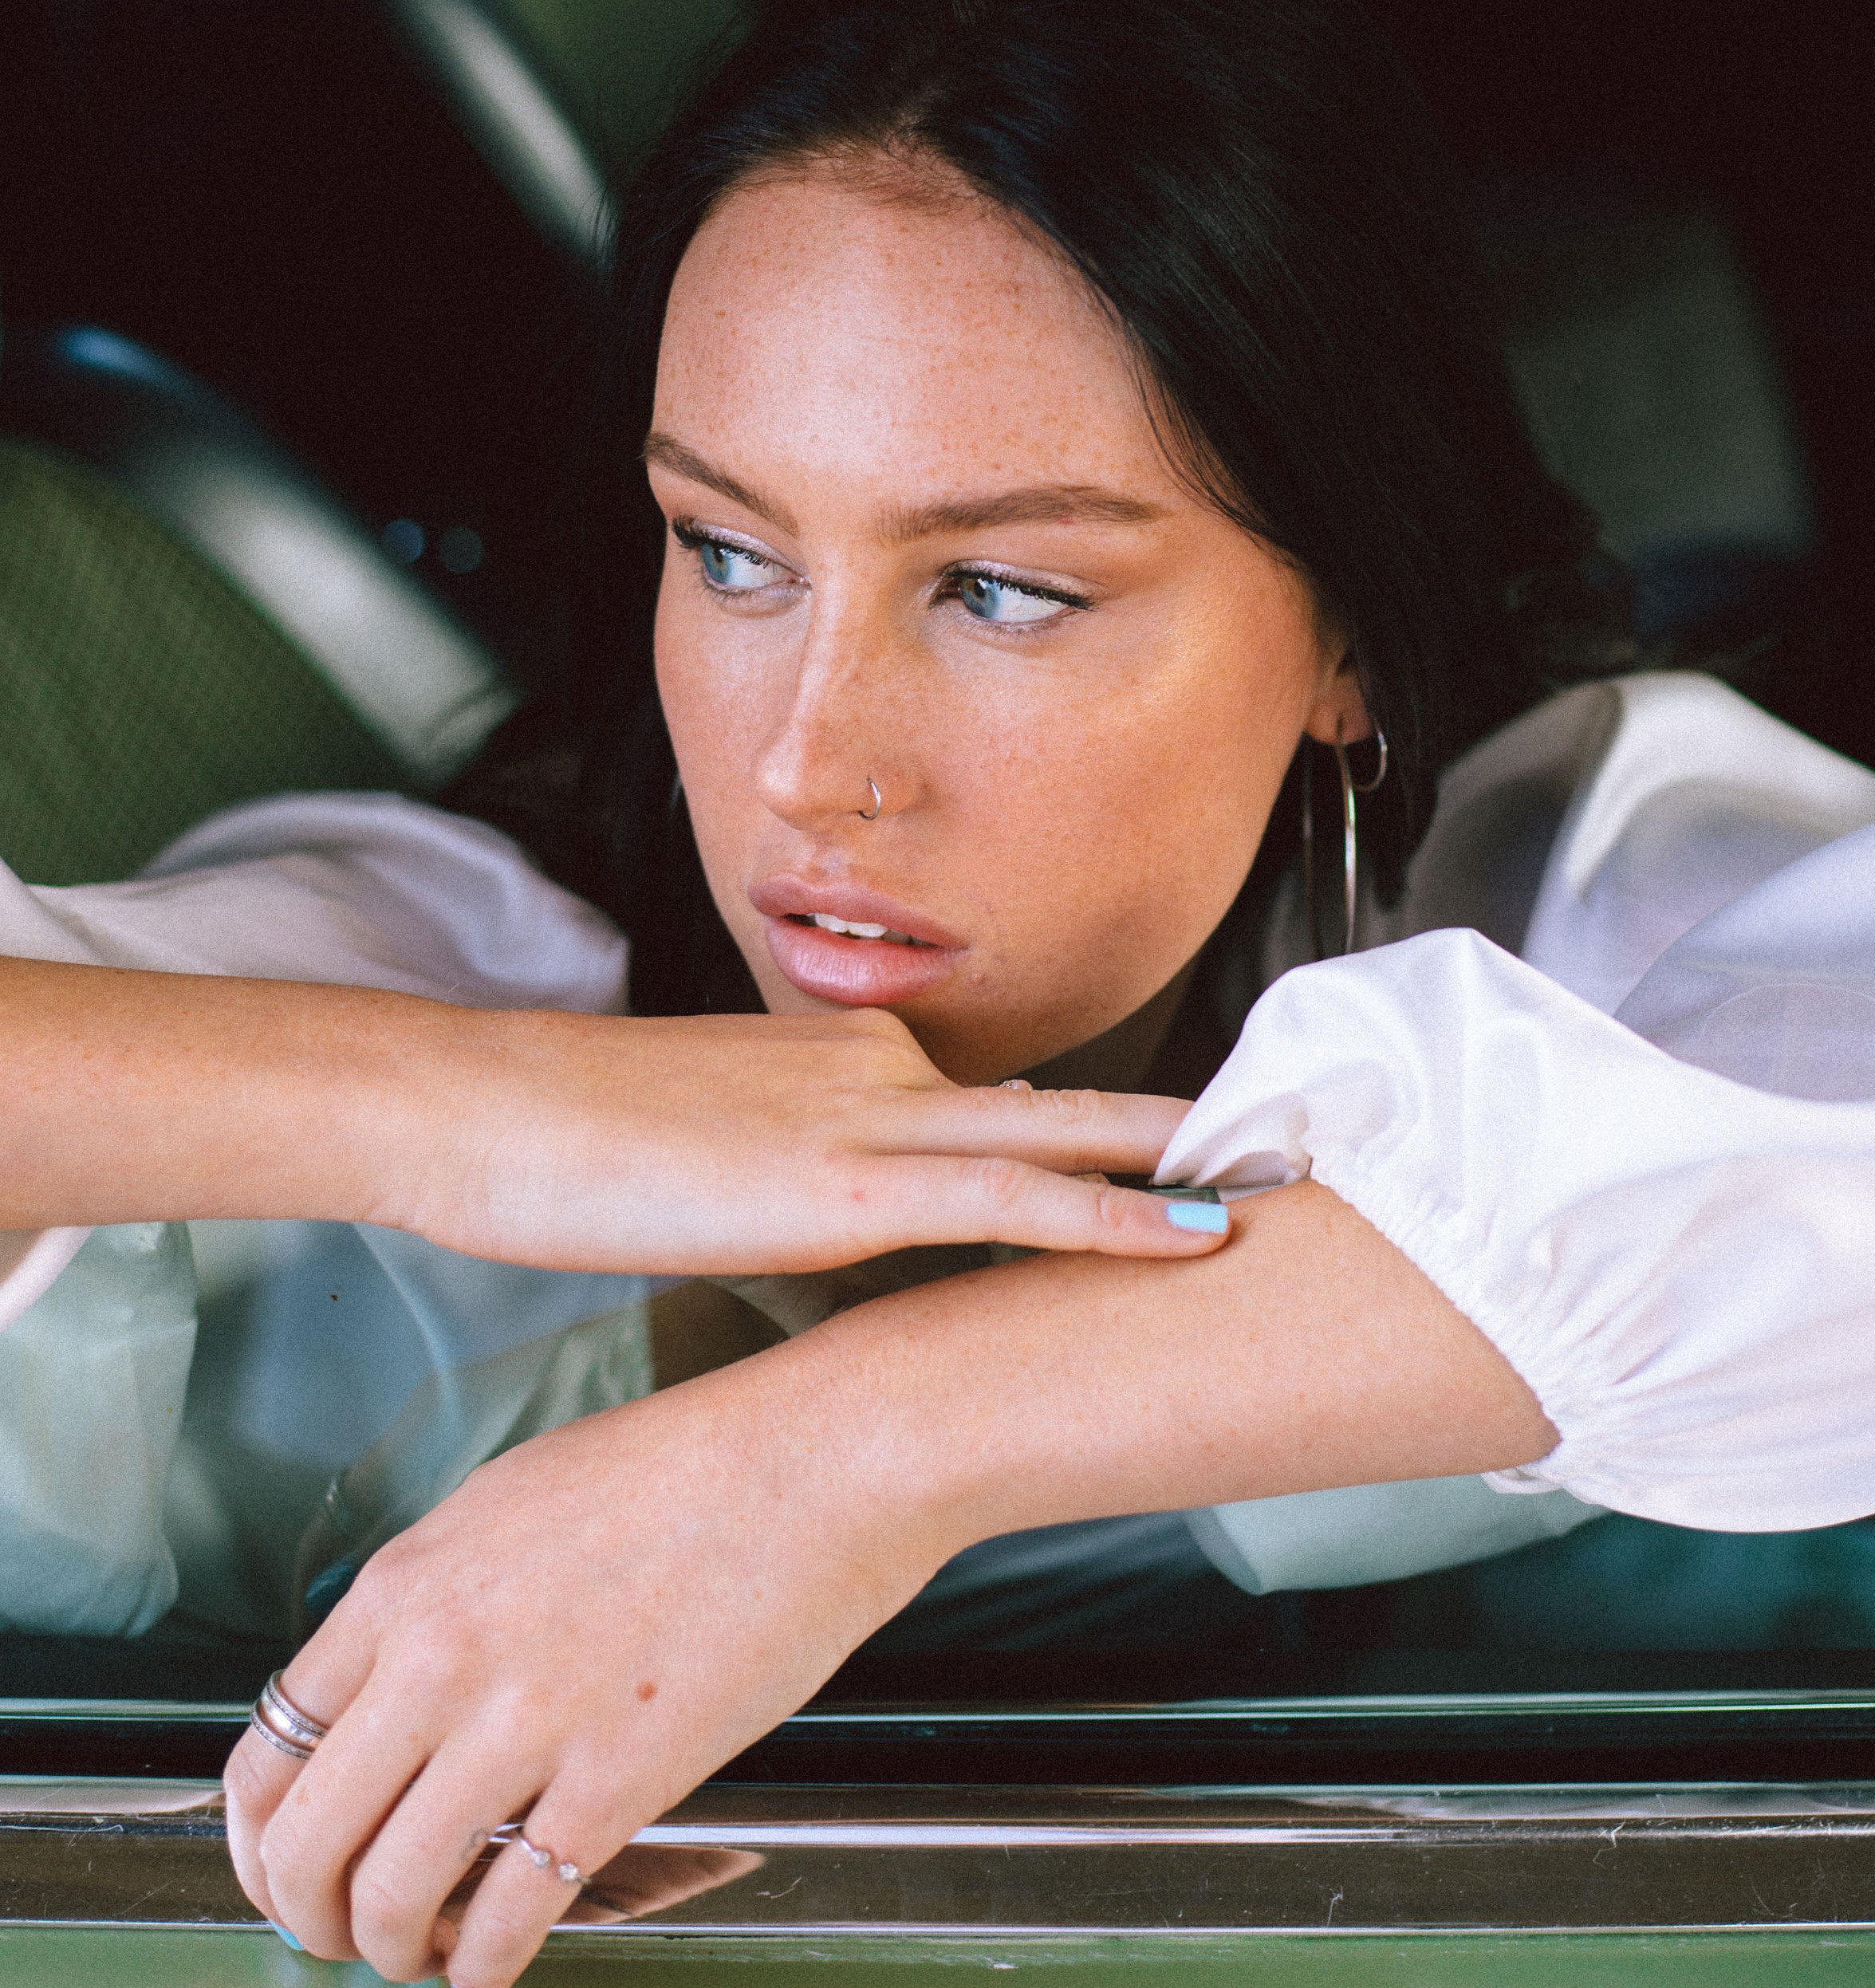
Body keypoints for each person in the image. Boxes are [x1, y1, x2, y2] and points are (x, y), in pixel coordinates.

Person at [2, 0, 1873, 1979]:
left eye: (1001, 589)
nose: (810, 763)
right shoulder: (453, 957)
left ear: (1347, 625)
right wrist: (468, 1112)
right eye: (731, 552)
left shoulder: (1523, 897)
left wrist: (840, 1455)